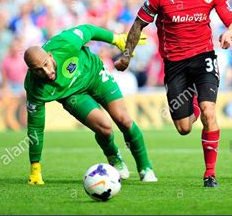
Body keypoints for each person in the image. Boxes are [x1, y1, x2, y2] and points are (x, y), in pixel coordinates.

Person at [115, 0, 232, 187]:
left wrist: (229, 34)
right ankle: (193, 101)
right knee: (184, 128)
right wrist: (127, 55)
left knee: (209, 112)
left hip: (204, 58)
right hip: (175, 65)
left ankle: (210, 174)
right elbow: (138, 25)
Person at [23, 24, 157, 185]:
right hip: (73, 95)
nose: (46, 72)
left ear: (50, 56)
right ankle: (114, 156)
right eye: (38, 70)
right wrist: (35, 169)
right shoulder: (34, 88)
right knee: (104, 128)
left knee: (123, 120)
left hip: (95, 76)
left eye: (46, 65)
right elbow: (35, 129)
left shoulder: (66, 42)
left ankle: (145, 168)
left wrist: (116, 39)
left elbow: (89, 30)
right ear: (31, 71)